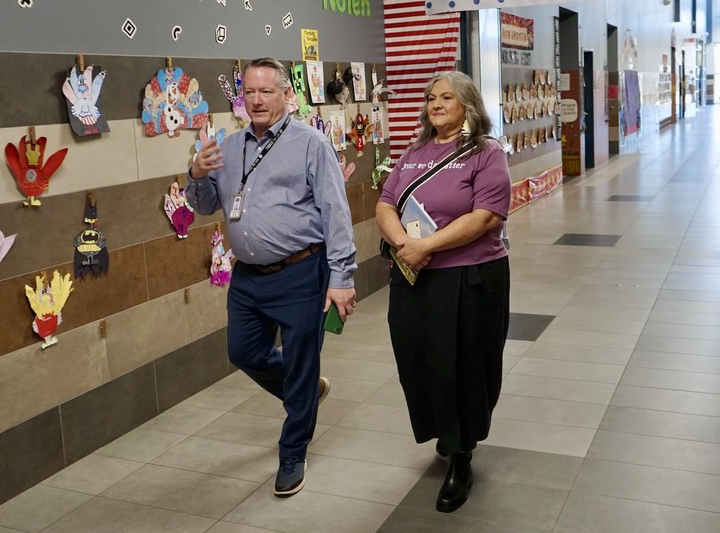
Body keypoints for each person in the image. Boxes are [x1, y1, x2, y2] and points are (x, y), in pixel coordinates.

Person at [187, 57, 357, 497]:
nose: (257, 99)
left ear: (285, 94)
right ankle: (305, 390)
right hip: (247, 277)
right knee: (242, 351)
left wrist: (341, 276)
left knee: (301, 361)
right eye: (249, 92)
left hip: (302, 270)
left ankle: (292, 451)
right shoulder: (228, 146)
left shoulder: (310, 143)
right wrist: (197, 175)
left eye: (266, 91)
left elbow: (335, 212)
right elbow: (206, 206)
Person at [376, 71, 511, 513]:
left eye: (446, 98)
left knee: (466, 364)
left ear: (467, 105)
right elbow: (385, 203)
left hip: (470, 278)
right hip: (415, 276)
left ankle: (461, 453)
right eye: (431, 98)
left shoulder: (485, 153)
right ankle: (446, 430)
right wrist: (403, 245)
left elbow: (487, 216)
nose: (436, 105)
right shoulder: (413, 152)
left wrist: (425, 246)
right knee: (419, 358)